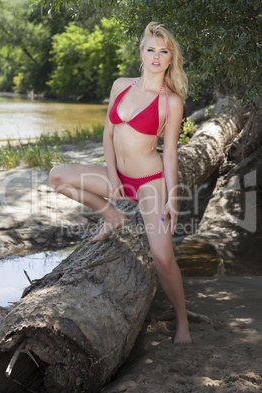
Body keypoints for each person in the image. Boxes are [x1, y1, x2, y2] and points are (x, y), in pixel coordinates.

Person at [49, 22, 191, 344]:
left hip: (149, 183)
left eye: (164, 51)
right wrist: (111, 175)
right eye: (151, 49)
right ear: (141, 52)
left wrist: (172, 199)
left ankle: (182, 320)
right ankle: (112, 216)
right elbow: (108, 133)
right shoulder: (121, 86)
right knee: (57, 177)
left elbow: (170, 154)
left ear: (171, 59)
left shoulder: (171, 102)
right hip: (119, 178)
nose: (156, 56)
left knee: (163, 258)